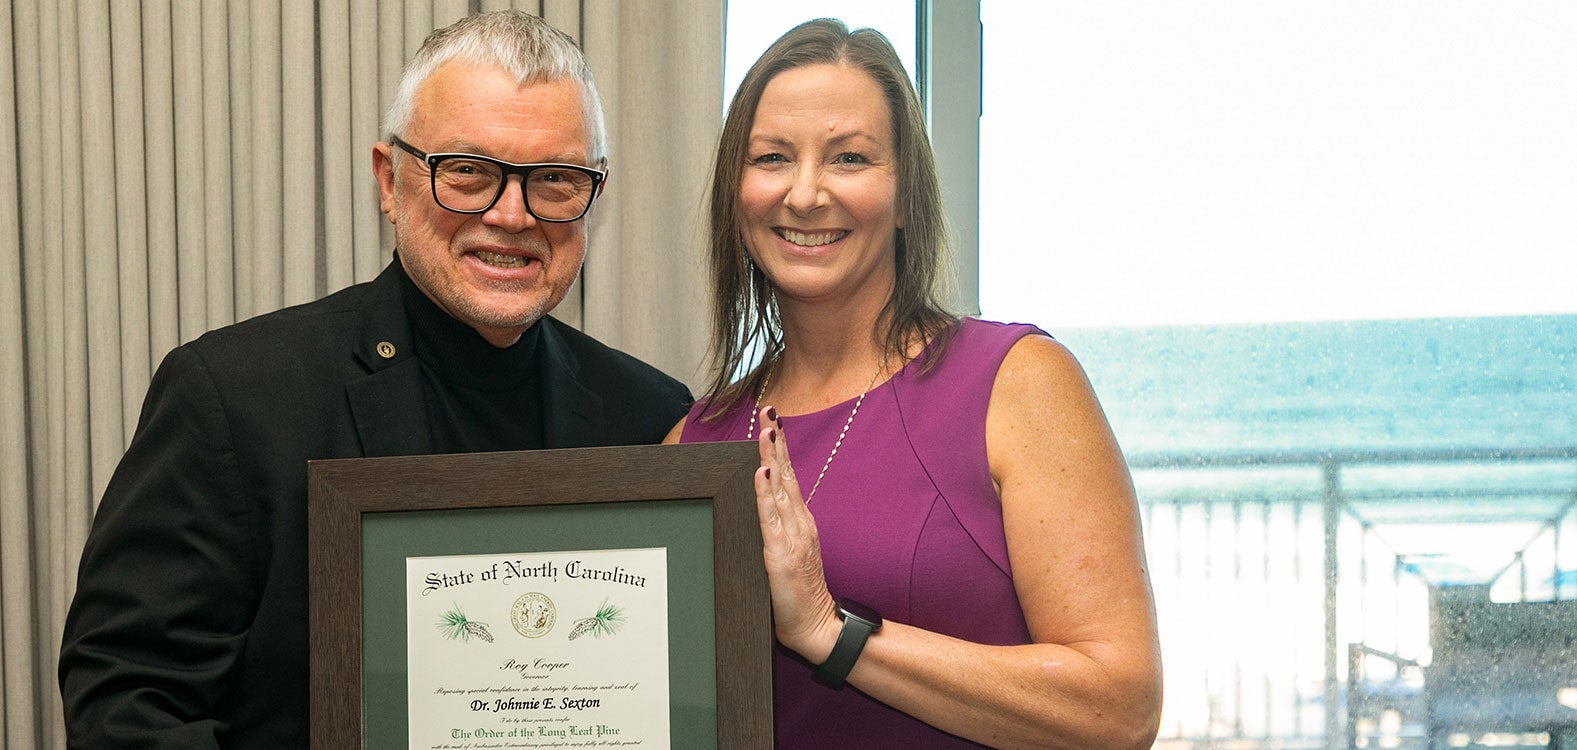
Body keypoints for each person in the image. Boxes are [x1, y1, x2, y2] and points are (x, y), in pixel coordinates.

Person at [58, 11, 691, 748]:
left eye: (553, 179)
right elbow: (124, 702)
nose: (512, 214)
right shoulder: (234, 395)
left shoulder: (651, 416)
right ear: (389, 181)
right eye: (468, 172)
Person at [665, 20, 1163, 749]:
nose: (805, 194)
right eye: (771, 157)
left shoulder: (1014, 382)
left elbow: (1117, 711)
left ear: (905, 199)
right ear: (735, 195)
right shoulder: (690, 441)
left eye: (849, 158)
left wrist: (827, 632)